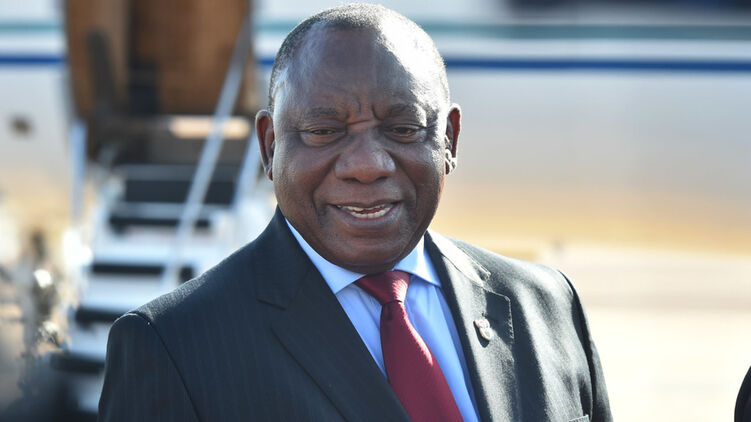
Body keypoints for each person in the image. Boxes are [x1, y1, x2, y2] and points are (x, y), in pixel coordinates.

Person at [98, 4, 612, 421]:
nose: (367, 165)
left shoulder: (547, 306)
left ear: (450, 139)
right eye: (324, 131)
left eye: (403, 128)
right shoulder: (173, 347)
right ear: (270, 146)